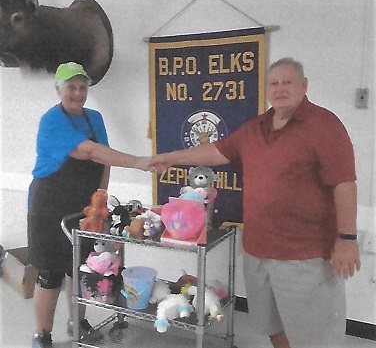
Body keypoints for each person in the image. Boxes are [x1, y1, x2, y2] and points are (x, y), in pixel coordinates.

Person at [150, 57, 361, 348]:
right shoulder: (256, 127)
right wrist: (168, 158)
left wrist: (347, 238)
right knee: (271, 326)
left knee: (316, 338)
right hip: (257, 253)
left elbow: (344, 183)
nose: (280, 88)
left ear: (304, 85)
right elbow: (216, 152)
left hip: (305, 257)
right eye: (274, 83)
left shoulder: (325, 125)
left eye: (288, 82)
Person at [28, 62, 151, 348]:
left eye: (83, 87)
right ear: (59, 88)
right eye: (71, 87)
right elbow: (88, 151)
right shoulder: (52, 120)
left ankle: (77, 321)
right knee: (51, 273)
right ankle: (42, 334)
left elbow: (103, 158)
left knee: (82, 269)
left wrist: (101, 198)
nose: (78, 93)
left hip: (84, 207)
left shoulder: (94, 118)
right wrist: (140, 163)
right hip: (49, 206)